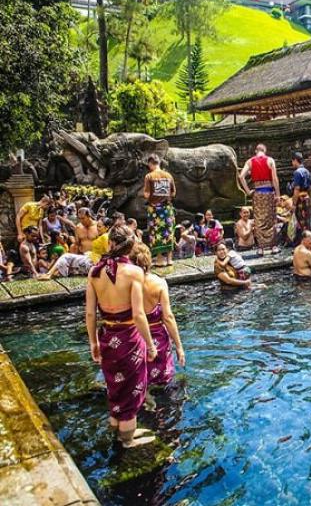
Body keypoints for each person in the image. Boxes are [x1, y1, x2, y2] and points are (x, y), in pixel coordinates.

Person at [85, 225, 157, 448]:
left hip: (107, 337)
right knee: (132, 391)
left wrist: (93, 342)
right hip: (129, 341)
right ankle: (127, 440)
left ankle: (117, 431)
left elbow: (90, 312)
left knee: (115, 389)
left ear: (110, 244)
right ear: (131, 246)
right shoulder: (135, 272)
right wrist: (151, 345)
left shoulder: (94, 272)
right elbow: (138, 314)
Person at [129, 243, 185, 386]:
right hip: (158, 340)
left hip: (135, 338)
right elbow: (168, 317)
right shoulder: (159, 283)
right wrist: (179, 346)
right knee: (163, 381)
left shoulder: (126, 285)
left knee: (138, 381)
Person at [239, 143, 280, 256]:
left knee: (259, 220)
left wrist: (247, 191)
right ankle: (273, 246)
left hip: (257, 193)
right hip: (269, 193)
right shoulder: (270, 160)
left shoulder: (250, 161)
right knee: (271, 219)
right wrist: (278, 194)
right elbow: (275, 179)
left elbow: (241, 176)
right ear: (264, 150)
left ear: (256, 151)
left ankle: (261, 248)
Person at [40, 217, 111, 279]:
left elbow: (109, 253)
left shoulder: (105, 237)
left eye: (100, 227)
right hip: (90, 260)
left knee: (66, 256)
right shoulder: (102, 236)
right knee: (66, 258)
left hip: (92, 263)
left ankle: (49, 274)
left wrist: (99, 264)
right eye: (97, 226)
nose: (97, 228)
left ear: (107, 227)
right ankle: (54, 274)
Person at [143, 154, 176, 267]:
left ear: (150, 163)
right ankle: (170, 259)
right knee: (169, 232)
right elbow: (173, 193)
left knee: (155, 233)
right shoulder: (168, 175)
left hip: (155, 210)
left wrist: (146, 195)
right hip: (167, 209)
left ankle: (160, 260)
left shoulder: (149, 176)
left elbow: (147, 195)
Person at [288, 152, 311, 246]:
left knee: (301, 222)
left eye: (292, 161)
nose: (292, 163)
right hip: (307, 198)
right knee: (307, 222)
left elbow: (297, 189)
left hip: (300, 200)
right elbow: (310, 188)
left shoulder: (298, 172)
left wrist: (294, 204)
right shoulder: (307, 171)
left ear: (295, 160)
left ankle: (303, 244)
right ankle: (309, 242)